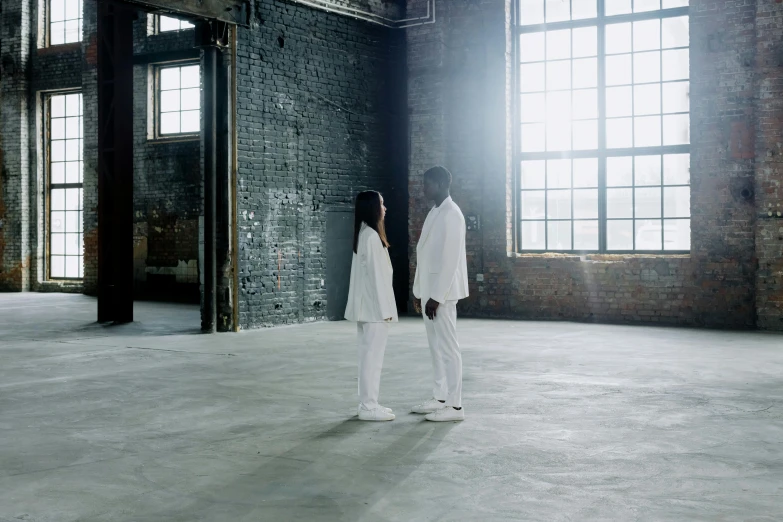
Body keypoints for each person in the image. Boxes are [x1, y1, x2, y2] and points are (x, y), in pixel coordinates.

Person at [411, 166, 469, 422]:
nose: (424, 189)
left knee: (448, 347)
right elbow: (424, 254)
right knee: (435, 348)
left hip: (441, 295)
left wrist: (436, 296)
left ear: (440, 184)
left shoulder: (452, 214)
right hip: (429, 292)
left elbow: (450, 259)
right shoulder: (434, 212)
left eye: (427, 184)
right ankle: (440, 397)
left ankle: (455, 407)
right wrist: (419, 291)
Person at [345, 191, 398, 421]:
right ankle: (368, 406)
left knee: (368, 357)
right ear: (373, 208)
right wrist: (386, 311)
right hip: (375, 309)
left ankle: (368, 403)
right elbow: (378, 278)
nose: (385, 208)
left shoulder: (364, 234)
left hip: (368, 308)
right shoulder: (372, 237)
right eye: (382, 204)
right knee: (372, 358)